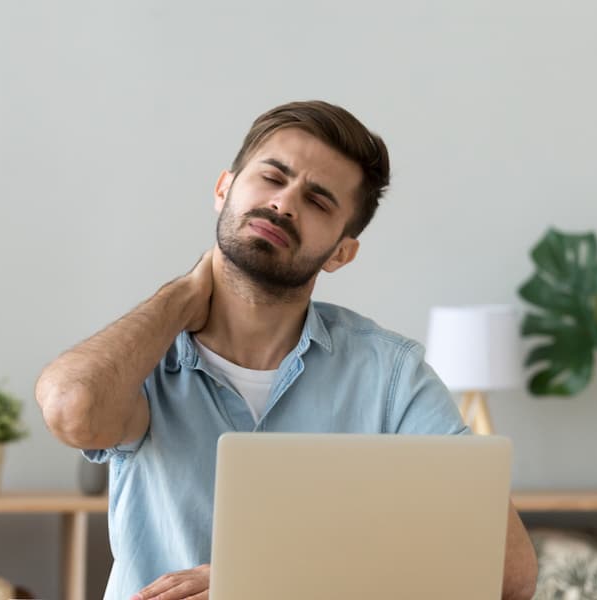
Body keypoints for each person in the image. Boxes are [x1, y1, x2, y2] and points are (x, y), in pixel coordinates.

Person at [36, 100, 538, 600]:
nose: (284, 204)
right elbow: (70, 408)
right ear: (224, 188)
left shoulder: (389, 375)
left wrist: (270, 582)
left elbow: (510, 573)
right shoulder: (144, 356)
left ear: (342, 252)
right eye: (272, 177)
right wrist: (184, 294)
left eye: (318, 201)